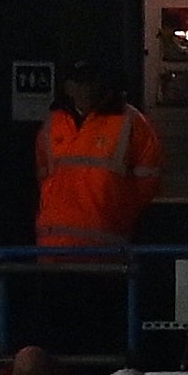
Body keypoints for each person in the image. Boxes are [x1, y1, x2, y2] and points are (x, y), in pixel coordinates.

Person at [32, 62, 163, 266]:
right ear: (67, 86)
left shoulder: (132, 122)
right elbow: (44, 180)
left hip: (105, 252)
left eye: (89, 81)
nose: (84, 88)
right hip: (53, 252)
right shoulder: (53, 123)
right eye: (78, 81)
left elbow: (147, 185)